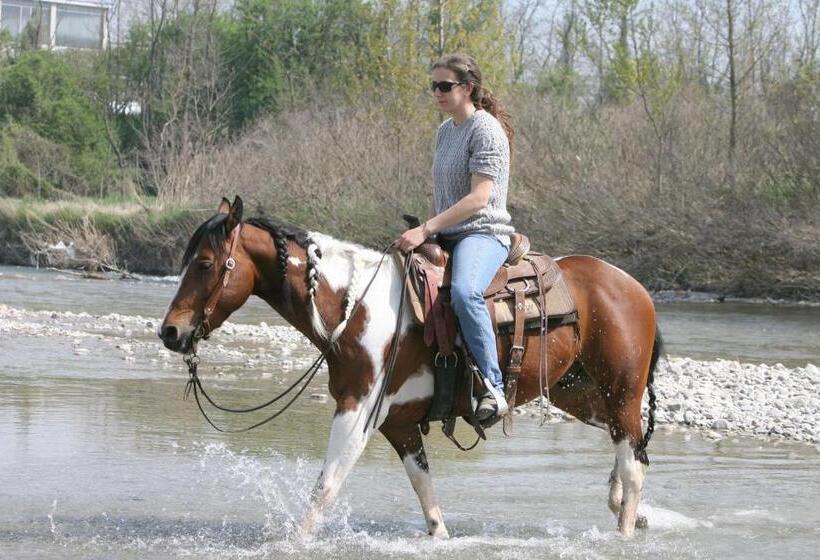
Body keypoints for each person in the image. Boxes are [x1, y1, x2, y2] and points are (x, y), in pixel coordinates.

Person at [395, 53, 515, 422]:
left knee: (465, 293)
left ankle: (493, 387)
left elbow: (479, 198)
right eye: (433, 86)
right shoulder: (445, 131)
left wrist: (426, 229)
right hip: (447, 233)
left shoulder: (486, 130)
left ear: (468, 88)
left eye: (445, 86)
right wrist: (429, 231)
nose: (437, 92)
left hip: (484, 232)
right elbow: (444, 195)